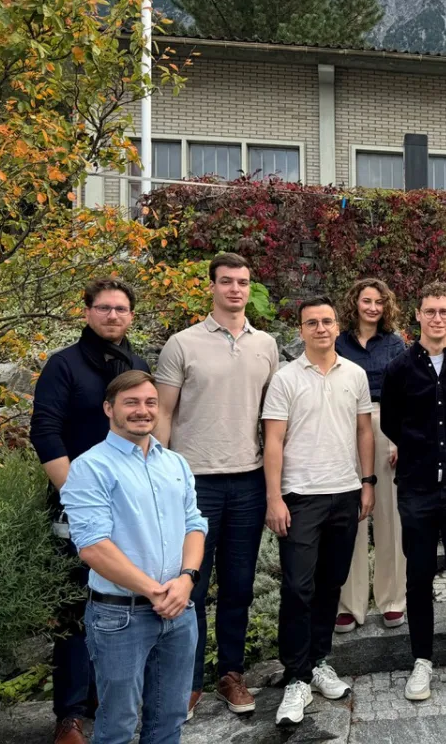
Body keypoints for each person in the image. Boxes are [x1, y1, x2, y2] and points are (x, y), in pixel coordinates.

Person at [155, 253, 280, 719]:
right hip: (194, 483)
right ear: (211, 286)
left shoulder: (265, 344)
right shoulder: (182, 344)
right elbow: (163, 414)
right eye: (226, 281)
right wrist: (161, 480)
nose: (234, 290)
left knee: (239, 586)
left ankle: (231, 674)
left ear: (250, 287)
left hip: (246, 481)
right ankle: (184, 684)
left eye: (243, 282)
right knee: (191, 584)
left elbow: (272, 418)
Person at [30, 278, 149, 744]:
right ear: (87, 313)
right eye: (104, 308)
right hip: (75, 509)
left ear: (131, 315)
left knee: (120, 604)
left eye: (121, 309)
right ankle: (70, 714)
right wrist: (79, 497)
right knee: (76, 609)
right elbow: (46, 432)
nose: (113, 316)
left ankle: (109, 700)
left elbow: (143, 430)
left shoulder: (136, 367)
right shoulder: (63, 366)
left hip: (129, 508)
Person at [60, 371, 207, 744]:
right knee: (117, 725)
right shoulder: (90, 467)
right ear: (109, 408)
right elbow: (92, 546)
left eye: (150, 402)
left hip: (179, 609)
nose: (143, 411)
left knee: (170, 718)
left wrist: (187, 578)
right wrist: (155, 591)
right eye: (132, 403)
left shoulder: (175, 463)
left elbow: (195, 525)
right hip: (119, 616)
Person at [263, 297, 376, 727]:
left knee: (331, 584)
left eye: (327, 321)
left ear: (337, 325)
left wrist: (367, 483)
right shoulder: (286, 379)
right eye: (312, 323)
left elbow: (364, 430)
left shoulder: (356, 374)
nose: (321, 328)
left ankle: (320, 661)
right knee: (297, 587)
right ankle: (296, 677)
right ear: (302, 329)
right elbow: (273, 441)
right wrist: (274, 498)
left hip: (345, 492)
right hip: (301, 496)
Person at [380, 283, 446, 702]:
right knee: (419, 576)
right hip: (417, 487)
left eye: (444, 311)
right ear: (418, 316)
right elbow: (391, 421)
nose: (437, 318)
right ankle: (421, 659)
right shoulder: (400, 369)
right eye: (430, 311)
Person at [334, 278, 408, 635]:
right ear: (356, 303)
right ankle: (350, 603)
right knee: (352, 515)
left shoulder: (395, 344)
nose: (373, 308)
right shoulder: (338, 342)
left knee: (390, 515)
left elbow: (407, 394)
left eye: (380, 301)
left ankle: (392, 599)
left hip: (385, 423)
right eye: (367, 301)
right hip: (344, 425)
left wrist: (399, 439)